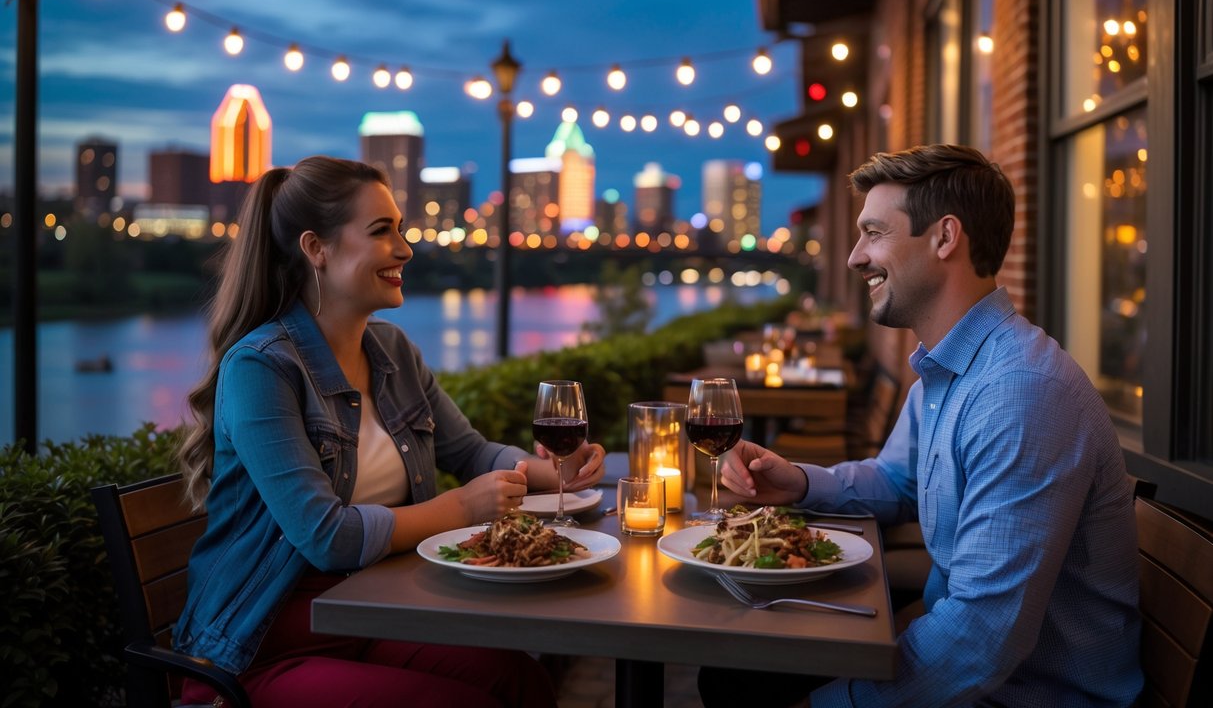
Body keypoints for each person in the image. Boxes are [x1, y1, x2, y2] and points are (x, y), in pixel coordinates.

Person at [704, 144, 1142, 707]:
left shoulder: (1021, 393)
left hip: (1026, 693)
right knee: (731, 673)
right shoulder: (950, 368)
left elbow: (978, 642)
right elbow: (898, 481)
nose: (854, 257)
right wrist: (802, 484)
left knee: (742, 681)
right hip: (976, 668)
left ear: (945, 238)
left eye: (874, 232)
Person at [174, 155, 604, 707]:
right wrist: (463, 508)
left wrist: (554, 471)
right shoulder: (260, 368)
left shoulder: (393, 351)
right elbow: (327, 537)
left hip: (377, 612)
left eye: (400, 229)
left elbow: (470, 452)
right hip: (264, 648)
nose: (405, 248)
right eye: (382, 231)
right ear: (316, 249)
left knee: (519, 680)